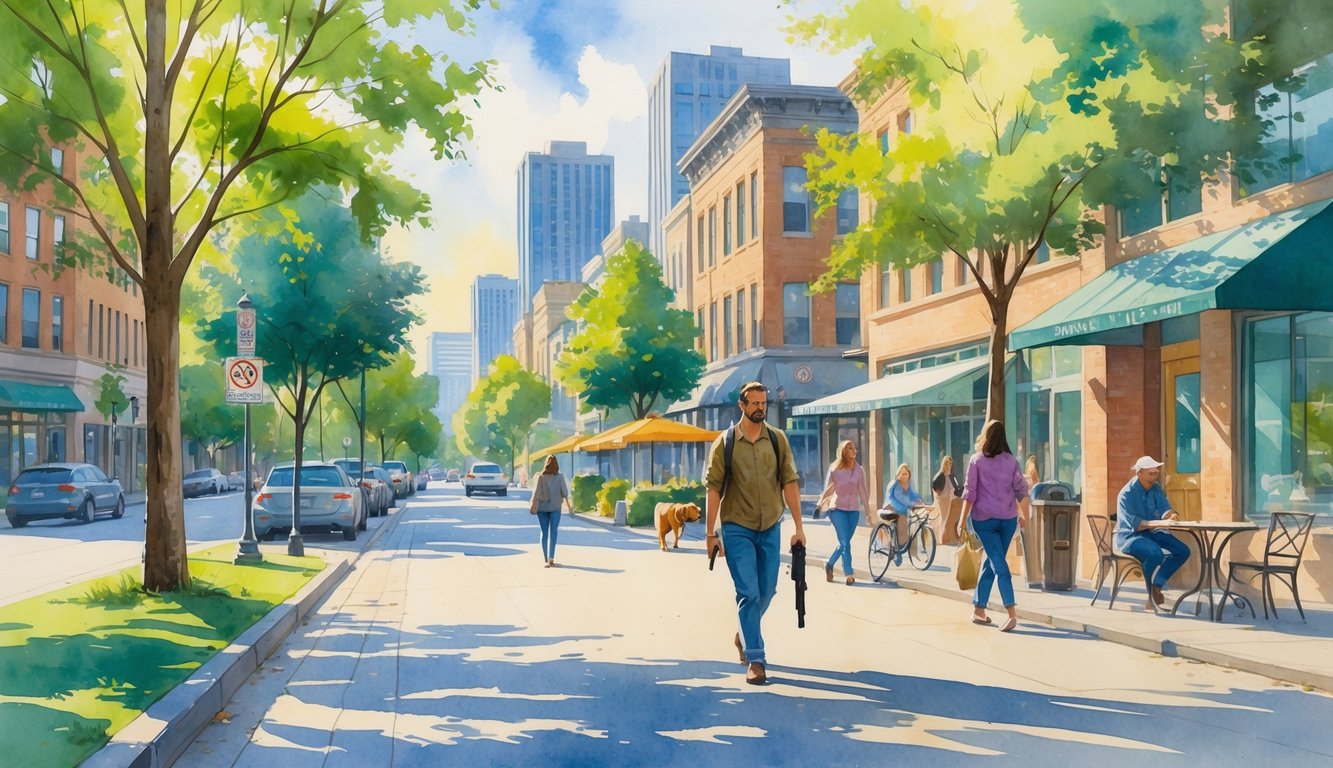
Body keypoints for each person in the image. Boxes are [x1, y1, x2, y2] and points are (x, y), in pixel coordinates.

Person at [704, 381, 805, 686]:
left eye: (764, 403)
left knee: (768, 590)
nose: (760, 408)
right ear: (742, 405)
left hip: (771, 526)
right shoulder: (725, 443)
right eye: (755, 403)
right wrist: (710, 533)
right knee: (748, 593)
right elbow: (713, 489)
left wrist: (799, 527)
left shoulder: (777, 440)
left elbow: (790, 482)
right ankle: (756, 659)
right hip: (737, 528)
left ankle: (744, 633)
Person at [957, 420, 1030, 632]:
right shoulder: (1011, 461)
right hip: (1007, 520)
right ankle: (979, 609)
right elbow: (1022, 490)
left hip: (984, 521)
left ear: (986, 436)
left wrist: (962, 521)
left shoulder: (976, 460)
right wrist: (1024, 515)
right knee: (995, 560)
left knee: (997, 563)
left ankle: (1010, 612)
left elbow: (970, 494)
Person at [1115, 455, 1190, 609]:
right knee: (1155, 553)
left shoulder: (1155, 488)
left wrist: (1171, 514)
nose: (1155, 476)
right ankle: (1151, 595)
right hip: (1131, 537)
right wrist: (1162, 523)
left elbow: (1164, 508)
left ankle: (1157, 585)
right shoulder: (1126, 494)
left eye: (1156, 472)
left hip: (1152, 532)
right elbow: (1139, 525)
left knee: (1183, 550)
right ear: (1139, 473)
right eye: (1151, 473)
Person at [815, 440, 872, 585]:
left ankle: (830, 564)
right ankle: (849, 574)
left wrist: (868, 512)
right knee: (845, 543)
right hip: (837, 510)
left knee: (843, 543)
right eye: (850, 448)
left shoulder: (859, 470)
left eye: (854, 448)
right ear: (844, 451)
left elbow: (863, 491)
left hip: (853, 511)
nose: (854, 451)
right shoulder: (834, 469)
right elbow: (828, 489)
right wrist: (820, 505)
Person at [881, 463, 926, 566]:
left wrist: (922, 504)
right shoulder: (893, 484)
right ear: (898, 475)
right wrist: (902, 508)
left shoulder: (908, 486)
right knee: (902, 523)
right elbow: (890, 499)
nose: (905, 476)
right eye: (903, 474)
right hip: (892, 508)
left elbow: (915, 497)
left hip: (905, 510)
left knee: (913, 523)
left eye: (907, 474)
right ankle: (897, 551)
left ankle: (905, 547)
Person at [532, 455, 572, 568]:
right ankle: (551, 558)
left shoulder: (540, 477)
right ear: (556, 464)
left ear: (546, 464)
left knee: (544, 533)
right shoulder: (560, 477)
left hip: (541, 509)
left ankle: (545, 559)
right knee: (553, 532)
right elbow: (565, 493)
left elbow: (536, 493)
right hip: (555, 509)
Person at [932, 455, 963, 546]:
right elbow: (935, 486)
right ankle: (942, 538)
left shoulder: (951, 476)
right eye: (946, 463)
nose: (948, 465)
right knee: (944, 517)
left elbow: (956, 487)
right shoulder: (940, 475)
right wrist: (940, 494)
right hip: (943, 500)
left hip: (951, 498)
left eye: (950, 463)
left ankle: (952, 535)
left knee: (951, 517)